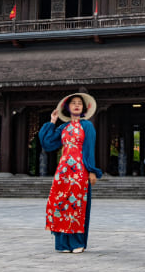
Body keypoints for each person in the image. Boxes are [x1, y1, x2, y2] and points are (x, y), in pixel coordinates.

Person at [39, 93, 102, 253]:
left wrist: (92, 171)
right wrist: (52, 121)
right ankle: (62, 244)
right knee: (60, 205)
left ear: (84, 108)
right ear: (68, 108)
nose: (76, 105)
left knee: (77, 205)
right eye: (73, 103)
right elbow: (47, 143)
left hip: (79, 171)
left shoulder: (87, 126)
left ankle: (77, 243)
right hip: (63, 172)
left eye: (79, 103)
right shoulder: (63, 127)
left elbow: (89, 150)